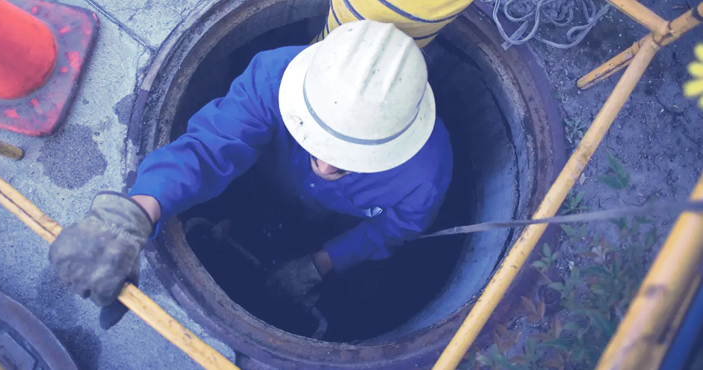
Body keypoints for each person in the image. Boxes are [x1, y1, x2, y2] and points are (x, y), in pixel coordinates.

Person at [48, 20, 453, 329]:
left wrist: (321, 263)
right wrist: (136, 213)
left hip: (330, 224)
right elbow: (209, 148)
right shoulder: (274, 77)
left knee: (370, 297)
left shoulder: (425, 170)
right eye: (319, 142)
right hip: (261, 187)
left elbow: (393, 231)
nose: (327, 166)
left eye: (351, 156)